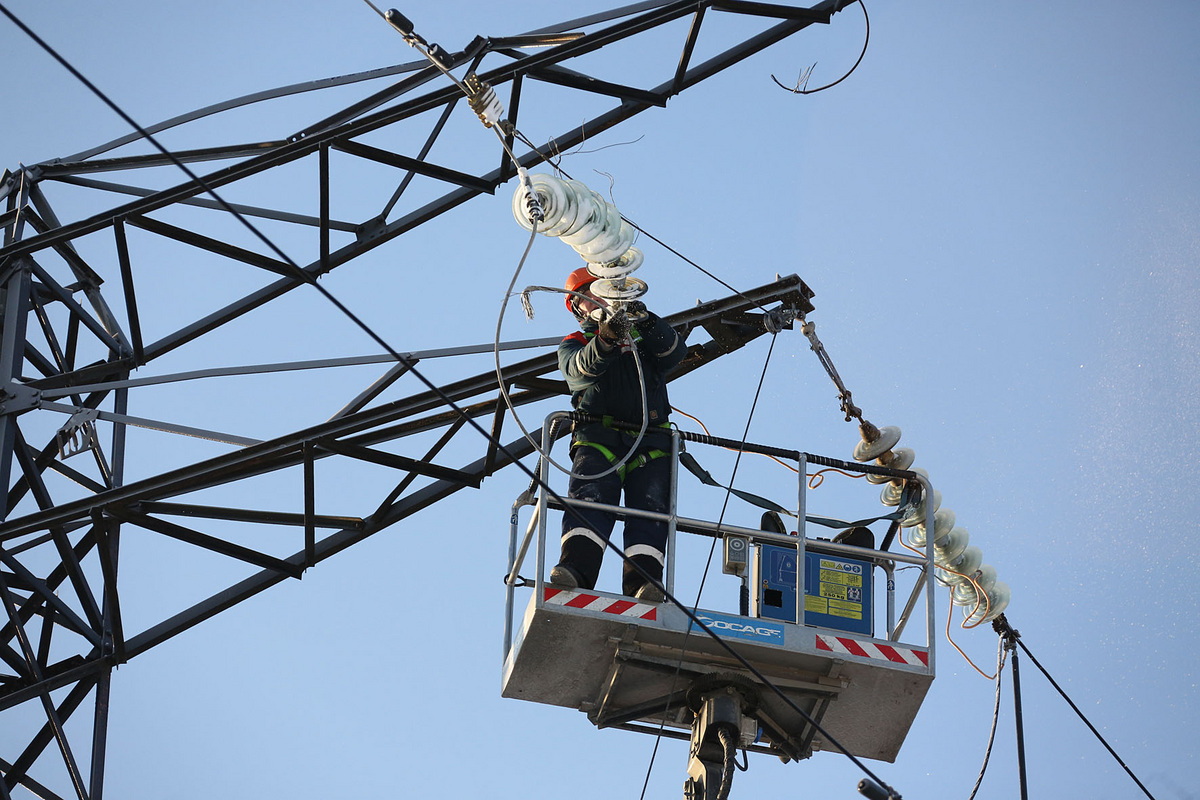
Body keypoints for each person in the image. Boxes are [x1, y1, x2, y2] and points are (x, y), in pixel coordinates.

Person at [549, 266, 687, 602]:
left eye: (601, 289)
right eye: (588, 294)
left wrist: (648, 321)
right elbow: (580, 370)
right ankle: (575, 572)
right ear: (577, 306)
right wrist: (607, 338)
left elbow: (674, 354)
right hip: (599, 436)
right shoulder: (576, 342)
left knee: (649, 511)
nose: (596, 297)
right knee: (590, 500)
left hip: (650, 440)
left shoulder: (642, 339)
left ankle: (644, 583)